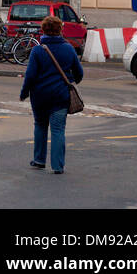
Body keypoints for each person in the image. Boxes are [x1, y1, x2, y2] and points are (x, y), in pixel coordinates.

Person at [19, 15, 84, 174]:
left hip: (40, 96)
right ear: (60, 30)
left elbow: (30, 75)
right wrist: (70, 79)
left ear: (43, 30)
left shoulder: (37, 50)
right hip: (60, 96)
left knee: (40, 126)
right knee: (58, 130)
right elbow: (79, 74)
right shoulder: (68, 48)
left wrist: (24, 93)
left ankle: (39, 160)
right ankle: (58, 166)